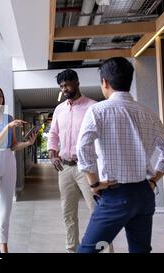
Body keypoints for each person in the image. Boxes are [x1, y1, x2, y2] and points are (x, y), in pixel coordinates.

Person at [76, 57, 164, 253]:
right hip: (143, 193)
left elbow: (82, 148)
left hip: (115, 195)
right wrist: (154, 180)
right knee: (140, 250)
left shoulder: (97, 111)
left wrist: (93, 183)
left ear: (105, 82)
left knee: (88, 250)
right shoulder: (148, 113)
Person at [0, 86, 36, 253]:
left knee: (6, 207)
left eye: (0, 96)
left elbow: (13, 145)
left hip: (8, 160)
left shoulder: (8, 117)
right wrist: (8, 127)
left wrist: (28, 143)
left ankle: (4, 248)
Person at [48, 69, 97, 253]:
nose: (65, 89)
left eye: (67, 84)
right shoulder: (59, 109)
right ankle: (72, 249)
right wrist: (52, 153)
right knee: (68, 213)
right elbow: (53, 133)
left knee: (98, 213)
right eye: (61, 86)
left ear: (76, 82)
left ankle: (104, 250)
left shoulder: (92, 107)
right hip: (65, 169)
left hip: (87, 168)